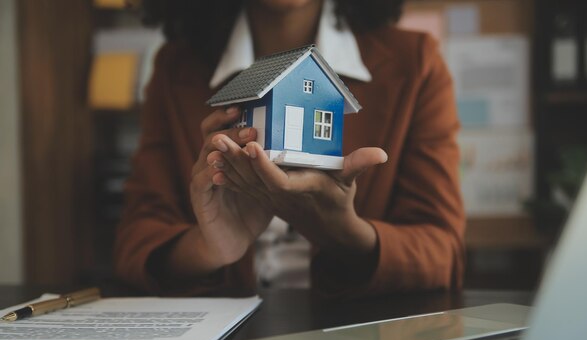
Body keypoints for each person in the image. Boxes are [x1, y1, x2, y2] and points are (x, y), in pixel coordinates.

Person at [114, 0, 465, 298]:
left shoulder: (415, 62)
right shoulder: (175, 68)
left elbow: (443, 255)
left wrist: (343, 230)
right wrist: (210, 247)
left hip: (349, 334)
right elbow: (135, 245)